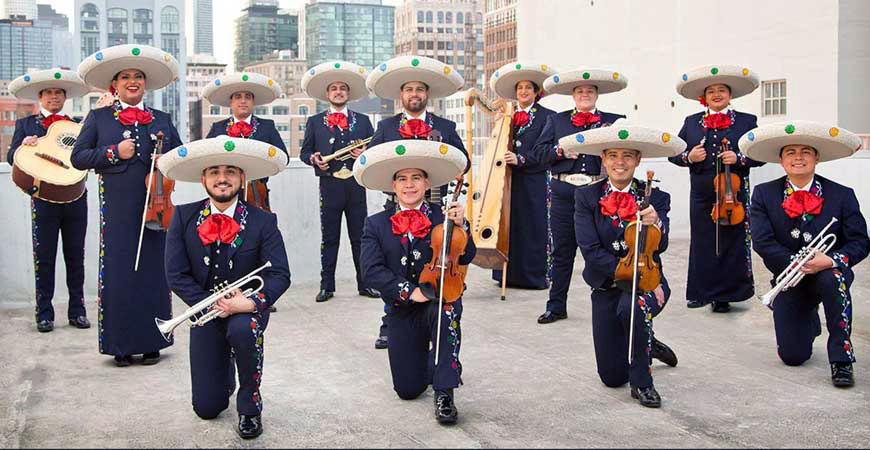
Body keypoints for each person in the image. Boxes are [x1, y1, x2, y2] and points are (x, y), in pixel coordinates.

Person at [160, 136, 291, 438]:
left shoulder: (263, 221)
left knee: (242, 330)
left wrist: (250, 302)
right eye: (215, 172)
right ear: (203, 178)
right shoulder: (182, 216)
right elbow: (175, 274)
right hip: (206, 309)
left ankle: (250, 407)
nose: (222, 179)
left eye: (230, 172)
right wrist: (213, 304)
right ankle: (225, 375)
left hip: (246, 310)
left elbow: (280, 275)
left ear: (241, 178)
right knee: (207, 408)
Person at [72, 44, 183, 366]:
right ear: (114, 85)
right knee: (119, 273)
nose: (132, 81)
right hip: (118, 211)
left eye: (138, 77)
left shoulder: (161, 118)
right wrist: (112, 152)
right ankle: (119, 344)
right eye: (125, 77)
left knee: (153, 273)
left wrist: (167, 159)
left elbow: (181, 155)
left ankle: (152, 343)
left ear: (144, 84)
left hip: (157, 208)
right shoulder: (98, 117)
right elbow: (77, 157)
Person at [742, 120, 869, 388]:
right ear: (781, 159)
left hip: (828, 271)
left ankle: (842, 359)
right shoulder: (765, 194)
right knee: (793, 356)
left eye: (805, 152)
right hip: (791, 278)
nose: (798, 158)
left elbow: (860, 242)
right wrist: (796, 263)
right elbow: (762, 242)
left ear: (816, 157)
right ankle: (809, 322)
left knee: (832, 279)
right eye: (791, 152)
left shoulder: (842, 194)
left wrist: (832, 260)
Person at [356, 138, 474, 423]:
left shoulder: (442, 217)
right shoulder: (376, 223)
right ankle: (430, 362)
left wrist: (463, 226)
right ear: (393, 186)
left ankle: (445, 391)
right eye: (402, 179)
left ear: (426, 183)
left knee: (446, 311)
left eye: (416, 178)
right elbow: (370, 271)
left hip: (437, 300)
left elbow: (467, 255)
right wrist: (409, 291)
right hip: (402, 308)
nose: (409, 185)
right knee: (407, 390)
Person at [568, 120, 683, 407]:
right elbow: (591, 250)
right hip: (607, 284)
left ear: (638, 160)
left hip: (647, 284)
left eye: (627, 156)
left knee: (632, 307)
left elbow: (663, 243)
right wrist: (624, 269)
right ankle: (648, 341)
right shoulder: (586, 197)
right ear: (604, 160)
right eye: (613, 156)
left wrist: (656, 222)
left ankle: (643, 384)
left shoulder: (656, 197)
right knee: (611, 377)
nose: (620, 163)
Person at [365, 55, 469, 349]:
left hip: (435, 203)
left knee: (433, 259)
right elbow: (372, 161)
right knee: (397, 264)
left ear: (427, 95)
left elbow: (464, 162)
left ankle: (439, 314)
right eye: (409, 89)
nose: (414, 94)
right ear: (402, 95)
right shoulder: (385, 127)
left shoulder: (446, 127)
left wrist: (441, 154)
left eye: (419, 89)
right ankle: (391, 323)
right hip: (398, 205)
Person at [668, 65, 764, 313]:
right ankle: (700, 292)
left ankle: (726, 295)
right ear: (705, 96)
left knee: (732, 242)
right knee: (702, 242)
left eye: (722, 90)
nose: (717, 94)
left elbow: (761, 155)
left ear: (730, 95)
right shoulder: (691, 122)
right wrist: (690, 157)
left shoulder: (746, 121)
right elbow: (674, 154)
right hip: (701, 193)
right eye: (712, 91)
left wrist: (740, 158)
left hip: (733, 194)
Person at [534, 69, 627, 324]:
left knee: (604, 248)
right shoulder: (556, 121)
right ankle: (556, 306)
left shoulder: (615, 120)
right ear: (572, 96)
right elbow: (540, 154)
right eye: (579, 92)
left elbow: (626, 151)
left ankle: (615, 301)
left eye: (589, 91)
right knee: (562, 252)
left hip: (598, 194)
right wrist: (561, 151)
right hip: (564, 193)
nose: (584, 95)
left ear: (596, 95)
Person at [7, 69, 91, 333]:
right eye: (49, 93)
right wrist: (24, 146)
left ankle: (77, 312)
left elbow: (86, 157)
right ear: (40, 97)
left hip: (75, 198)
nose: (54, 97)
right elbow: (12, 158)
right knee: (44, 257)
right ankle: (44, 314)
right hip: (43, 199)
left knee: (75, 257)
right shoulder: (26, 125)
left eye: (58, 93)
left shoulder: (78, 124)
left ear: (65, 98)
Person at [299, 61, 378, 303]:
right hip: (330, 185)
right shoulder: (314, 121)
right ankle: (327, 286)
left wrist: (362, 155)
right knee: (329, 238)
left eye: (342, 88)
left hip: (355, 185)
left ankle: (364, 284)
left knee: (360, 237)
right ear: (327, 94)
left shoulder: (364, 121)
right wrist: (314, 160)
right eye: (333, 88)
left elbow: (375, 149)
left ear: (348, 93)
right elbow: (305, 152)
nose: (338, 91)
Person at [488, 61, 557, 290]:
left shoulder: (549, 117)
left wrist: (521, 159)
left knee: (533, 225)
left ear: (537, 92)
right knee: (509, 222)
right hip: (508, 179)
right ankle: (507, 274)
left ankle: (534, 276)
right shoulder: (507, 115)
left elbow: (546, 151)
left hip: (534, 179)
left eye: (528, 88)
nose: (524, 92)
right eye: (519, 89)